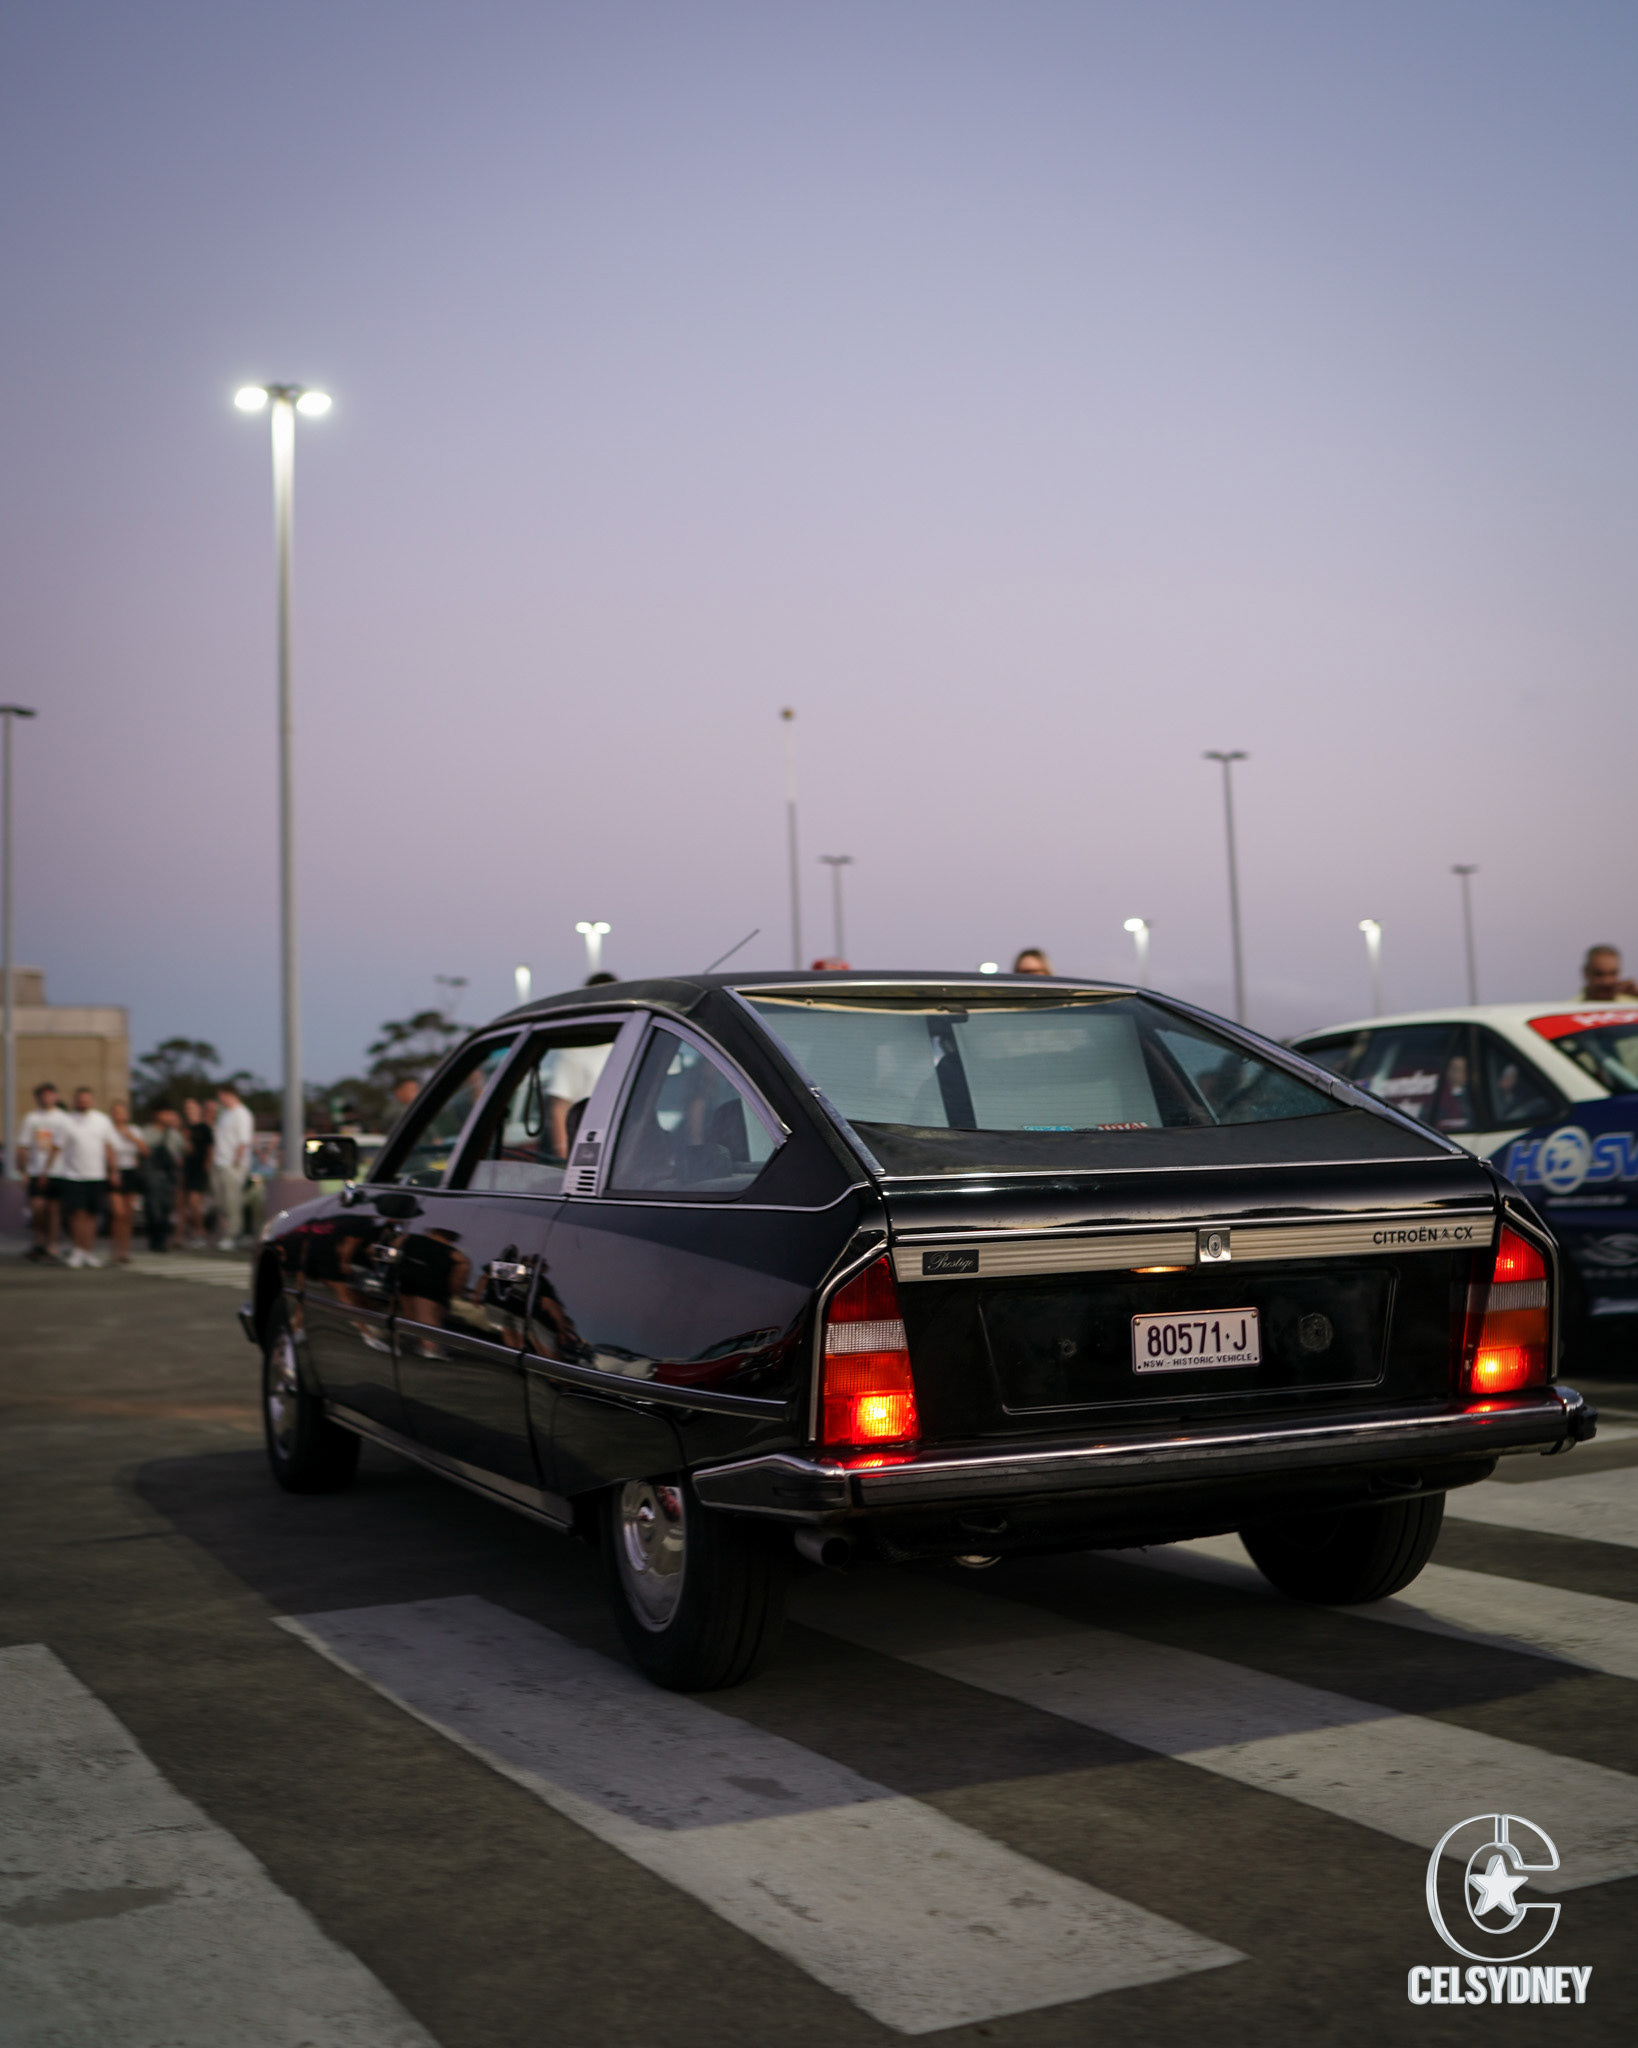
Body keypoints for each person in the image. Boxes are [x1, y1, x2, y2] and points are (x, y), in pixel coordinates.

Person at [57, 1086, 120, 1269]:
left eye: (86, 1099)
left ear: (91, 1100)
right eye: (80, 1099)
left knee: (92, 1215)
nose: (83, 1102)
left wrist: (113, 1171)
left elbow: (109, 1147)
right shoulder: (67, 1121)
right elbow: (57, 1147)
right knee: (78, 1213)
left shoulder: (102, 1120)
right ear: (75, 1100)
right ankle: (77, 1249)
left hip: (96, 1175)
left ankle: (87, 1250)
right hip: (73, 1175)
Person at [19, 1081, 71, 1264]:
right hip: (35, 1169)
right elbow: (23, 1146)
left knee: (53, 1209)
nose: (46, 1098)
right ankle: (39, 1238)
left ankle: (52, 1244)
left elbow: (61, 1146)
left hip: (58, 1171)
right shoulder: (31, 1118)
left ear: (56, 1096)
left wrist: (47, 1172)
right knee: (37, 1207)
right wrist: (23, 1170)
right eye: (42, 1095)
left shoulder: (63, 1119)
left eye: (50, 1094)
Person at [211, 1082, 255, 1250]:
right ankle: (232, 1233)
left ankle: (233, 1235)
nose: (220, 1099)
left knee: (232, 1202)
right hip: (220, 1163)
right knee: (222, 1202)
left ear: (229, 1094)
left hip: (232, 1165)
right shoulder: (225, 1114)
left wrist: (236, 1165)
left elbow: (243, 1142)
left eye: (221, 1096)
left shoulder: (242, 1114)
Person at [107, 1101, 148, 1266]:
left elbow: (145, 1151)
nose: (120, 1115)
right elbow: (108, 1151)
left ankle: (125, 1251)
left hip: (131, 1172)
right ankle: (115, 1250)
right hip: (115, 1171)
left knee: (128, 1215)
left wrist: (132, 1138)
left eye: (122, 1112)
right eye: (116, 1112)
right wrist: (113, 1170)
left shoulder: (135, 1130)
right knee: (118, 1213)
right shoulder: (108, 1131)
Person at [143, 1107, 185, 1253]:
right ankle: (155, 1240)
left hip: (169, 1176)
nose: (168, 1117)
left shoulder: (174, 1134)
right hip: (152, 1174)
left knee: (166, 1207)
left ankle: (162, 1239)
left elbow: (181, 1153)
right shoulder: (147, 1132)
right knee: (153, 1208)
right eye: (165, 1113)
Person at [180, 1098, 212, 1247]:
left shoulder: (204, 1128)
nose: (189, 1111)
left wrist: (207, 1165)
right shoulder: (185, 1128)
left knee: (194, 1201)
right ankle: (194, 1232)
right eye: (187, 1108)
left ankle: (200, 1231)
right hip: (187, 1169)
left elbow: (210, 1148)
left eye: (192, 1108)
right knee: (186, 1204)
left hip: (200, 1168)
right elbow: (185, 1149)